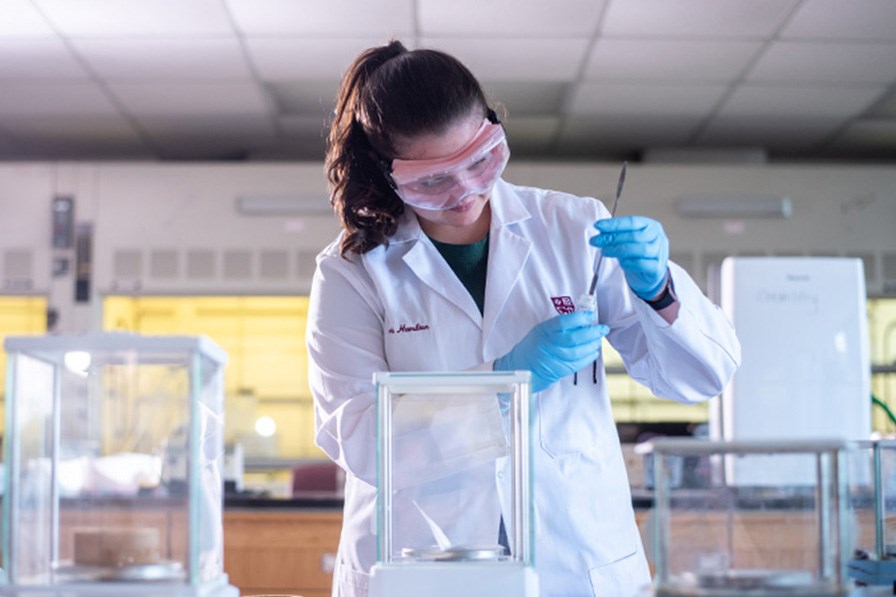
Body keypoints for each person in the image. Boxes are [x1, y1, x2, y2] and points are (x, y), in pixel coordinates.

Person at [306, 39, 741, 597]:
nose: (466, 191)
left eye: (481, 160)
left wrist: (659, 291)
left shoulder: (573, 226)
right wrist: (504, 383)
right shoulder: (352, 272)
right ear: (385, 174)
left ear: (494, 130)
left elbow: (701, 379)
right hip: (421, 561)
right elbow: (361, 439)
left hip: (578, 560)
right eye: (432, 180)